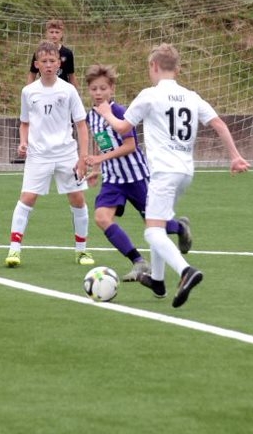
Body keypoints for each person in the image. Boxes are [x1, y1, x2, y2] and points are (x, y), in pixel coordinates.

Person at [94, 43, 250, 308]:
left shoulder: (150, 95)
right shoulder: (191, 96)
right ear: (176, 69)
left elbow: (122, 128)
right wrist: (234, 156)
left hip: (164, 172)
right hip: (185, 172)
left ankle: (186, 271)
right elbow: (218, 124)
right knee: (160, 221)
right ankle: (157, 281)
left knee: (152, 232)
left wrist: (107, 113)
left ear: (153, 66)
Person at [83, 63, 193, 282]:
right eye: (94, 89)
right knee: (102, 218)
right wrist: (96, 169)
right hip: (113, 179)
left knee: (154, 224)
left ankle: (180, 227)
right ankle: (138, 261)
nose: (98, 93)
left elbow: (130, 146)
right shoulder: (91, 116)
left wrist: (100, 159)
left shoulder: (119, 112)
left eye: (103, 88)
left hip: (136, 176)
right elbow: (100, 142)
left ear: (112, 89)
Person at [5, 40, 94, 267]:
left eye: (52, 61)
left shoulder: (69, 90)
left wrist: (83, 157)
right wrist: (23, 142)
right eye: (43, 61)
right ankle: (14, 250)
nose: (48, 65)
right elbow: (24, 123)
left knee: (78, 199)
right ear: (36, 64)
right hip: (38, 155)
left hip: (66, 153)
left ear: (59, 64)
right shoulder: (28, 92)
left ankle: (82, 251)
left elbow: (81, 125)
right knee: (27, 198)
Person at [27, 19, 79, 89]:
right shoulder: (39, 53)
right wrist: (29, 90)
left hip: (62, 90)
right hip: (45, 88)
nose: (54, 35)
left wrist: (76, 92)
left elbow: (71, 76)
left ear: (61, 34)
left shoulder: (67, 53)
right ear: (46, 33)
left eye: (57, 32)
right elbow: (32, 74)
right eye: (51, 32)